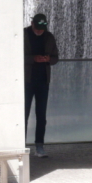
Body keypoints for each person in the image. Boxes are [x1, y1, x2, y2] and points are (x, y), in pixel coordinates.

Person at [23, 13, 59, 158]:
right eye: (37, 28)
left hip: (43, 81)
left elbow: (56, 58)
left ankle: (39, 146)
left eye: (42, 29)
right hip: (26, 81)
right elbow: (14, 55)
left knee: (41, 115)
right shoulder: (23, 35)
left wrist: (48, 59)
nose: (39, 31)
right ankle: (21, 146)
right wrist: (33, 59)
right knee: (23, 115)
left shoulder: (49, 37)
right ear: (32, 24)